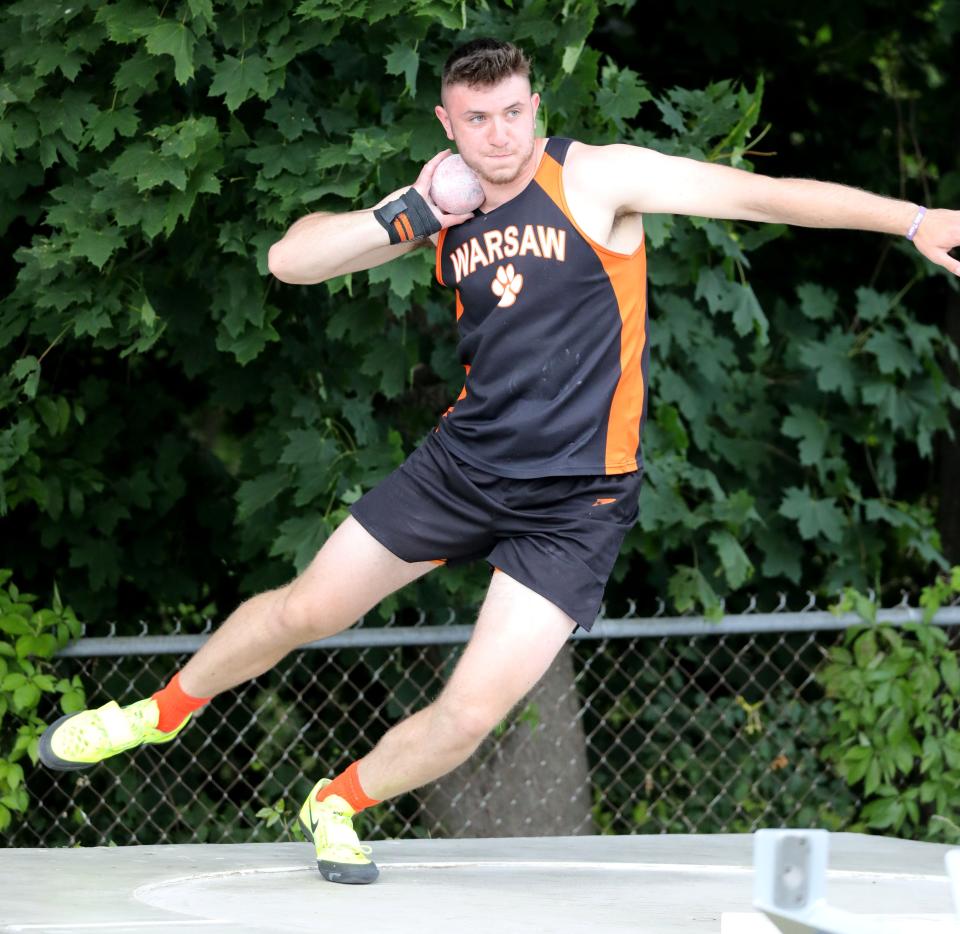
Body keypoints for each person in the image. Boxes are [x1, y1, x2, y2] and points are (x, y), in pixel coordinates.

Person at [39, 38, 960, 884]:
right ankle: (157, 712)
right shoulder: (442, 203)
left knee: (473, 714)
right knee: (305, 610)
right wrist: (408, 212)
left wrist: (912, 218)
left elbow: (766, 196)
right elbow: (291, 261)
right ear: (448, 124)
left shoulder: (599, 180)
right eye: (475, 119)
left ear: (535, 106)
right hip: (465, 467)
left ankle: (336, 801)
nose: (499, 134)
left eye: (513, 112)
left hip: (579, 503)